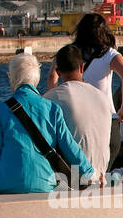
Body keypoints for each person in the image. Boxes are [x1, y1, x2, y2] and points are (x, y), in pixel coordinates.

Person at [0, 52, 95, 196]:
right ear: (36, 79)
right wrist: (88, 171)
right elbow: (70, 147)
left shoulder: (1, 110)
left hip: (6, 180)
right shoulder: (52, 109)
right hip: (43, 183)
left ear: (12, 77)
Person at [48, 13, 123, 126]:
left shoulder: (69, 53)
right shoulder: (109, 54)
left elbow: (52, 76)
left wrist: (54, 104)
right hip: (106, 117)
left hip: (75, 117)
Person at [44, 43, 112, 179]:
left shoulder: (51, 98)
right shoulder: (102, 97)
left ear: (58, 72)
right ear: (82, 67)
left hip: (74, 178)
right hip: (102, 174)